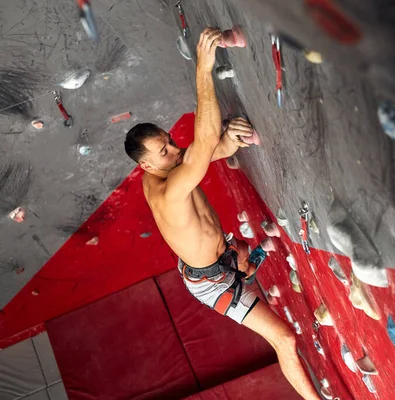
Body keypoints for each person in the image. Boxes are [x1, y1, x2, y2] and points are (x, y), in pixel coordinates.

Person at [123, 28, 320, 400]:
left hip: (222, 256)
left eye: (168, 140)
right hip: (212, 284)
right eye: (163, 151)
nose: (174, 149)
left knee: (246, 256)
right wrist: (204, 68)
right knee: (285, 338)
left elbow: (198, 155)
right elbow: (205, 141)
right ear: (147, 167)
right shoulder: (166, 192)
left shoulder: (166, 170)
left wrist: (228, 142)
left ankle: (245, 265)